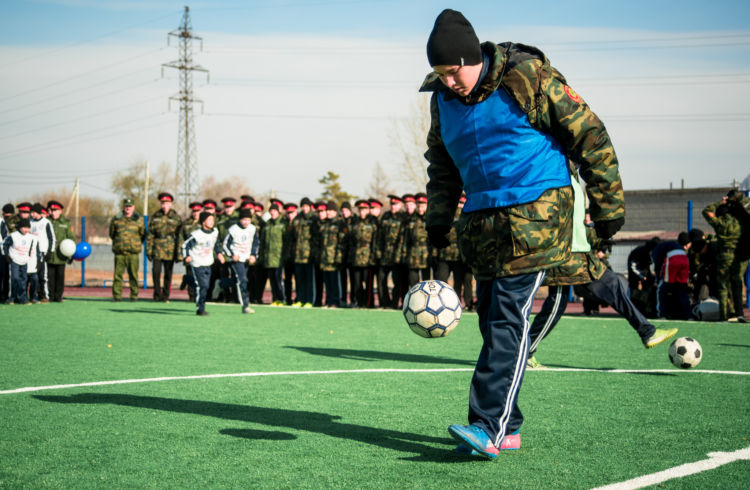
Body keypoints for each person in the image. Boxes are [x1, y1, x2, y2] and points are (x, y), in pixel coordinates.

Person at [420, 9, 625, 458]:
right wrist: (438, 217)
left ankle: (487, 427)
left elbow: (590, 135)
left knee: (507, 320)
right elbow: (442, 163)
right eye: (440, 74)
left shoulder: (529, 77)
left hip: (537, 217)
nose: (449, 82)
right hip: (482, 224)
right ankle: (509, 426)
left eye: (453, 72)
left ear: (472, 58)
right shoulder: (441, 100)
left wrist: (608, 206)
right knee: (490, 318)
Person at [702, 189, 749, 322]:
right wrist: (738, 200)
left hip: (723, 256)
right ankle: (739, 313)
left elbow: (706, 211)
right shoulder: (741, 222)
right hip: (738, 256)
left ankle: (724, 316)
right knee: (737, 285)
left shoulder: (720, 223)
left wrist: (720, 202)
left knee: (722, 287)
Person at [182, 212, 225, 316]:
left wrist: (219, 253)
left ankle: (187, 279)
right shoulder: (196, 235)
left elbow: (216, 244)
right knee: (203, 286)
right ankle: (200, 309)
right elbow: (185, 245)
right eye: (209, 220)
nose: (212, 222)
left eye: (213, 220)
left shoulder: (215, 232)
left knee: (204, 285)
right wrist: (187, 256)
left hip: (208, 262)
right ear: (203, 221)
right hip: (197, 262)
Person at [146, 192, 182, 302]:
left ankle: (166, 295)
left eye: (167, 203)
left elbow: (179, 236)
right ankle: (157, 294)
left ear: (170, 204)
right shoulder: (155, 217)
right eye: (162, 203)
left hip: (170, 249)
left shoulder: (176, 217)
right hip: (157, 248)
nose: (164, 205)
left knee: (168, 274)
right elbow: (150, 234)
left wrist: (178, 252)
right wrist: (148, 250)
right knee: (156, 272)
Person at [222, 208, 259, 314]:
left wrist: (253, 255)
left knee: (238, 280)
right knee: (243, 280)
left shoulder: (253, 229)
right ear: (240, 220)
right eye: (244, 219)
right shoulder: (233, 229)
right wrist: (232, 255)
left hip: (246, 259)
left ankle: (221, 283)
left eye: (248, 219)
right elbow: (225, 244)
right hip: (236, 260)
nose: (246, 222)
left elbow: (256, 243)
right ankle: (245, 305)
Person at [109, 198, 145, 302]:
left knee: (133, 275)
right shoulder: (116, 219)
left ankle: (134, 295)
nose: (128, 208)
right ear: (123, 207)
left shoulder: (139, 219)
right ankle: (117, 296)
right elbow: (112, 234)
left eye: (130, 206)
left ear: (133, 207)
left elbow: (143, 234)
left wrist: (134, 244)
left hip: (133, 253)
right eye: (126, 206)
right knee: (117, 275)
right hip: (119, 252)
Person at [651, 232, 692, 320]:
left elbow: (658, 266)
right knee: (683, 288)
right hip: (684, 258)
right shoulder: (672, 245)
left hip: (673, 258)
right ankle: (689, 316)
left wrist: (658, 279)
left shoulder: (655, 251)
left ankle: (662, 314)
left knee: (662, 288)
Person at [2, 218, 39, 305]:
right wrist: (7, 256)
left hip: (24, 262)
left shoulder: (30, 237)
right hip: (14, 261)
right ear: (20, 227)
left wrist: (29, 258)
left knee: (24, 280)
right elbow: (5, 246)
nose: (26, 230)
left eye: (28, 228)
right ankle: (11, 298)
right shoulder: (13, 236)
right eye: (24, 227)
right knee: (15, 278)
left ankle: (23, 299)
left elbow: (31, 249)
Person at [46, 200, 74, 302]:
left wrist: (71, 255)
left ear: (60, 211)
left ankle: (58, 296)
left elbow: (71, 238)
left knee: (60, 277)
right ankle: (50, 296)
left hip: (61, 254)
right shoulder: (46, 221)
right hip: (50, 253)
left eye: (56, 210)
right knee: (50, 277)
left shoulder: (66, 223)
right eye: (52, 210)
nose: (53, 212)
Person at [260, 203, 288, 306]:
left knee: (279, 280)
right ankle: (275, 299)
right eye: (271, 211)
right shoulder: (267, 224)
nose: (272, 213)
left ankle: (282, 298)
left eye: (274, 211)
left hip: (279, 257)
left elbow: (286, 241)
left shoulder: (283, 223)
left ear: (278, 212)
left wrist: (285, 256)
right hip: (269, 258)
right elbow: (263, 242)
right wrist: (262, 255)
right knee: (272, 281)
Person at [29, 203, 55, 303]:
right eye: (31, 212)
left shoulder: (46, 222)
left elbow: (52, 238)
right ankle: (32, 295)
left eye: (34, 212)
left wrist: (50, 251)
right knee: (32, 275)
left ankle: (44, 295)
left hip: (42, 252)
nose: (32, 214)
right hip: (32, 253)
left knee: (42, 275)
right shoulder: (30, 222)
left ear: (39, 212)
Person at [178, 202, 203, 302]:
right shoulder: (186, 223)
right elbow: (181, 239)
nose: (196, 213)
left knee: (201, 276)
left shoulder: (205, 222)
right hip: (190, 255)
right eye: (194, 211)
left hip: (201, 254)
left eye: (198, 211)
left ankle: (201, 296)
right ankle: (192, 296)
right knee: (191, 275)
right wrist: (184, 254)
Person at [1, 203, 16, 303]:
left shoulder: (16, 221)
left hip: (10, 251)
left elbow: (5, 237)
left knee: (7, 275)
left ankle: (6, 295)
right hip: (4, 250)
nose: (7, 215)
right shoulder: (2, 221)